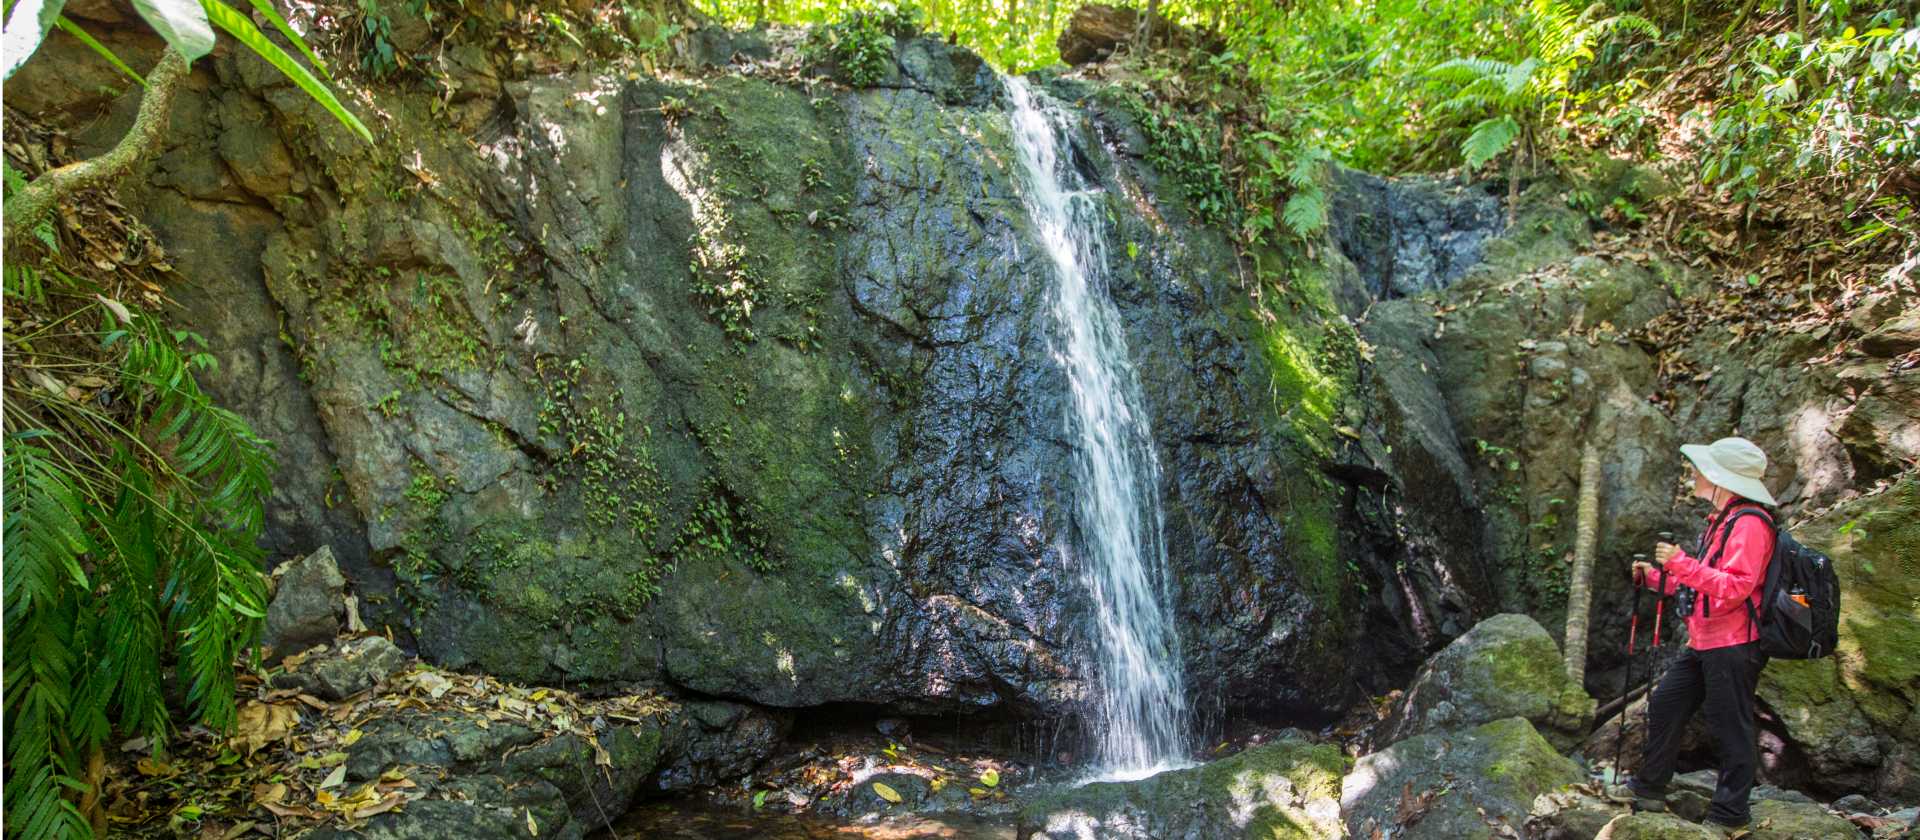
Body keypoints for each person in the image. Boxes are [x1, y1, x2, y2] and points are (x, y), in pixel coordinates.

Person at [1622, 436, 1778, 829]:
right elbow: (1700, 583)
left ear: (1720, 477)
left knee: (1730, 726)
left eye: (1701, 469)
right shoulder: (1722, 521)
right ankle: (1649, 789)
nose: (1693, 474)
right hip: (1705, 640)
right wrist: (1656, 577)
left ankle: (1730, 815)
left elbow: (1736, 586)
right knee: (1666, 703)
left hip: (1734, 643)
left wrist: (1680, 563)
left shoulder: (1750, 524)